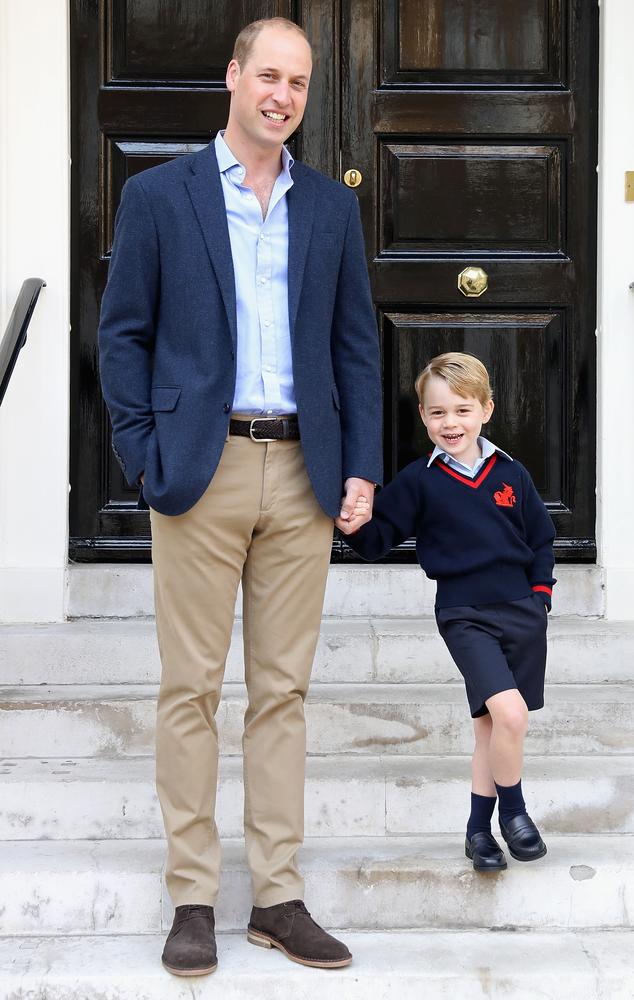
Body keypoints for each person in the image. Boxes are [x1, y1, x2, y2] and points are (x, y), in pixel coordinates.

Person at [98, 17, 381, 976]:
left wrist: (361, 466)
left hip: (304, 472)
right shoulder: (158, 196)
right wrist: (142, 454)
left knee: (282, 692)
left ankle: (277, 895)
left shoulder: (331, 209)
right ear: (233, 77)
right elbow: (123, 334)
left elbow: (356, 346)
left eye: (299, 83)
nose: (283, 96)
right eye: (269, 75)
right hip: (199, 467)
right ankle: (190, 896)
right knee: (189, 689)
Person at [346, 352, 555, 874]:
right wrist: (348, 521)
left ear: (486, 409)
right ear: (422, 415)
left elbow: (542, 540)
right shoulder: (419, 480)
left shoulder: (512, 473)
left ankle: (476, 832)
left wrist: (541, 597)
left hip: (522, 612)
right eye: (438, 413)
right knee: (510, 714)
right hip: (464, 613)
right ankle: (516, 813)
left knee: (492, 728)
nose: (451, 423)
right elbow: (377, 541)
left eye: (462, 410)